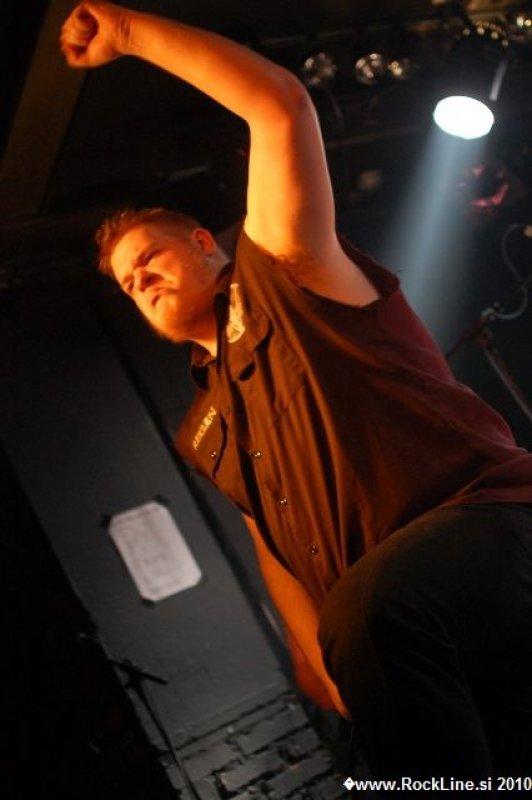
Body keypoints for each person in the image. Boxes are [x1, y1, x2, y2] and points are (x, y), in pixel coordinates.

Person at [60, 1, 532, 783]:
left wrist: (131, 33)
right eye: (128, 285)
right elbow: (272, 542)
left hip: (487, 528)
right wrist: (314, 654)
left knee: (371, 614)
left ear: (205, 245)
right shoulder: (204, 429)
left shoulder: (282, 269)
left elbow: (279, 104)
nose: (140, 281)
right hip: (409, 629)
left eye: (150, 258)